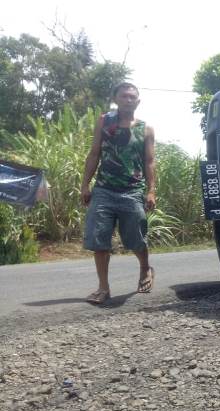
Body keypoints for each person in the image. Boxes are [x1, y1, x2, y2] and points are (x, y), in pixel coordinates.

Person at [80, 82, 156, 304]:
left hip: (132, 191)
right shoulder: (105, 121)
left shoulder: (145, 128)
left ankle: (145, 268)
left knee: (136, 238)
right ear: (116, 99)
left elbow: (149, 162)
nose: (128, 99)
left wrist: (151, 191)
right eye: (124, 96)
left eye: (133, 97)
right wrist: (85, 185)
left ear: (138, 101)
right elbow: (94, 154)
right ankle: (103, 288)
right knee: (99, 237)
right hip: (103, 189)